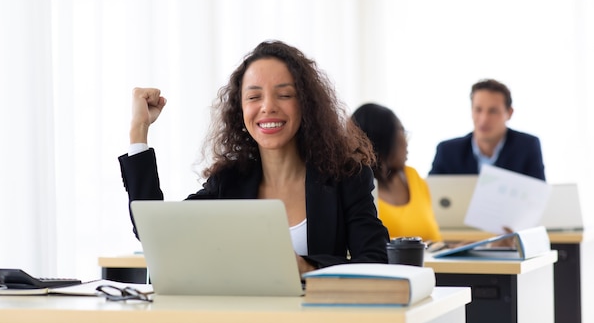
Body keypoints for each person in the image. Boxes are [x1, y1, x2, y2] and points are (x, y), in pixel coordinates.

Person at [119, 40, 390, 273]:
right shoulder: (229, 182)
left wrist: (306, 268)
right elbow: (156, 233)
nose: (268, 106)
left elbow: (375, 262)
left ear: (307, 105)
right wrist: (138, 130)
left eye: (284, 94)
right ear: (240, 109)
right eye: (254, 97)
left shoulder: (346, 176)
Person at [352, 103, 442, 243]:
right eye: (401, 131)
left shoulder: (413, 177)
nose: (406, 142)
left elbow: (435, 240)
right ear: (382, 139)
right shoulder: (354, 187)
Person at [429, 79, 545, 181]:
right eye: (478, 110)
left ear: (509, 113)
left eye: (493, 111)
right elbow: (429, 198)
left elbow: (539, 197)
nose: (484, 119)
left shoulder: (527, 147)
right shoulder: (447, 151)